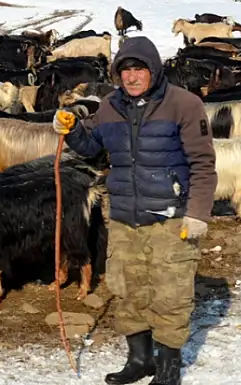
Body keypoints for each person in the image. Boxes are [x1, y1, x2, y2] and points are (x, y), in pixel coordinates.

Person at [52, 36, 216, 385]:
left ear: (153, 70)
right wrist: (69, 130)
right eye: (125, 70)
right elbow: (91, 146)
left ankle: (169, 370)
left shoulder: (184, 105)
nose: (131, 77)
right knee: (128, 289)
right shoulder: (110, 107)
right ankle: (140, 360)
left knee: (170, 293)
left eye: (138, 69)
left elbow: (203, 163)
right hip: (125, 217)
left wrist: (198, 213)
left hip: (171, 217)